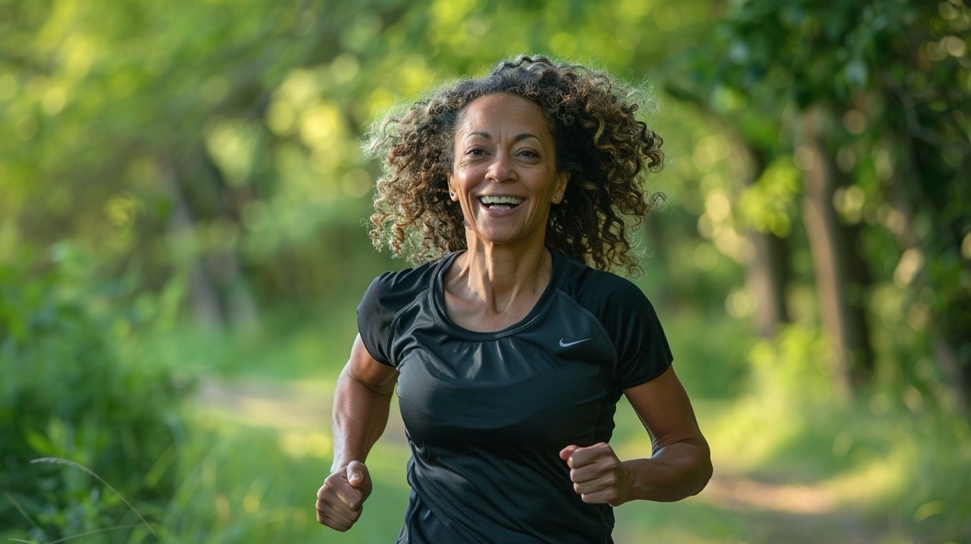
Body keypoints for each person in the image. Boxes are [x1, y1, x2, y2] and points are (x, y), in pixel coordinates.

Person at [315, 54, 712, 543]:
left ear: (560, 183)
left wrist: (630, 479)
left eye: (526, 154)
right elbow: (362, 379)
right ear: (451, 181)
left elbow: (688, 453)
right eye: (477, 152)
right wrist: (346, 460)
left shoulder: (607, 309)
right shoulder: (399, 301)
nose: (499, 170)